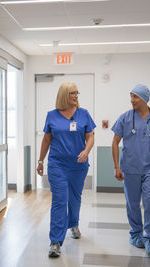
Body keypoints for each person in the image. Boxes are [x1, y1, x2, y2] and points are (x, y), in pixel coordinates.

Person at [111, 84, 150, 259]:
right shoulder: (125, 117)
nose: (132, 100)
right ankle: (136, 234)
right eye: (131, 96)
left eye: (135, 97)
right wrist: (116, 166)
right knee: (132, 202)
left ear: (144, 98)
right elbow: (115, 142)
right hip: (130, 167)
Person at [37, 82, 96, 257]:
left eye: (77, 92)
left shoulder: (83, 114)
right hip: (57, 165)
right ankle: (55, 241)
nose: (76, 96)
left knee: (75, 198)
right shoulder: (52, 116)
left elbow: (90, 136)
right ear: (64, 95)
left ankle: (74, 224)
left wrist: (86, 150)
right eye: (72, 93)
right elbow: (46, 140)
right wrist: (40, 160)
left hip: (78, 165)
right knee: (60, 200)